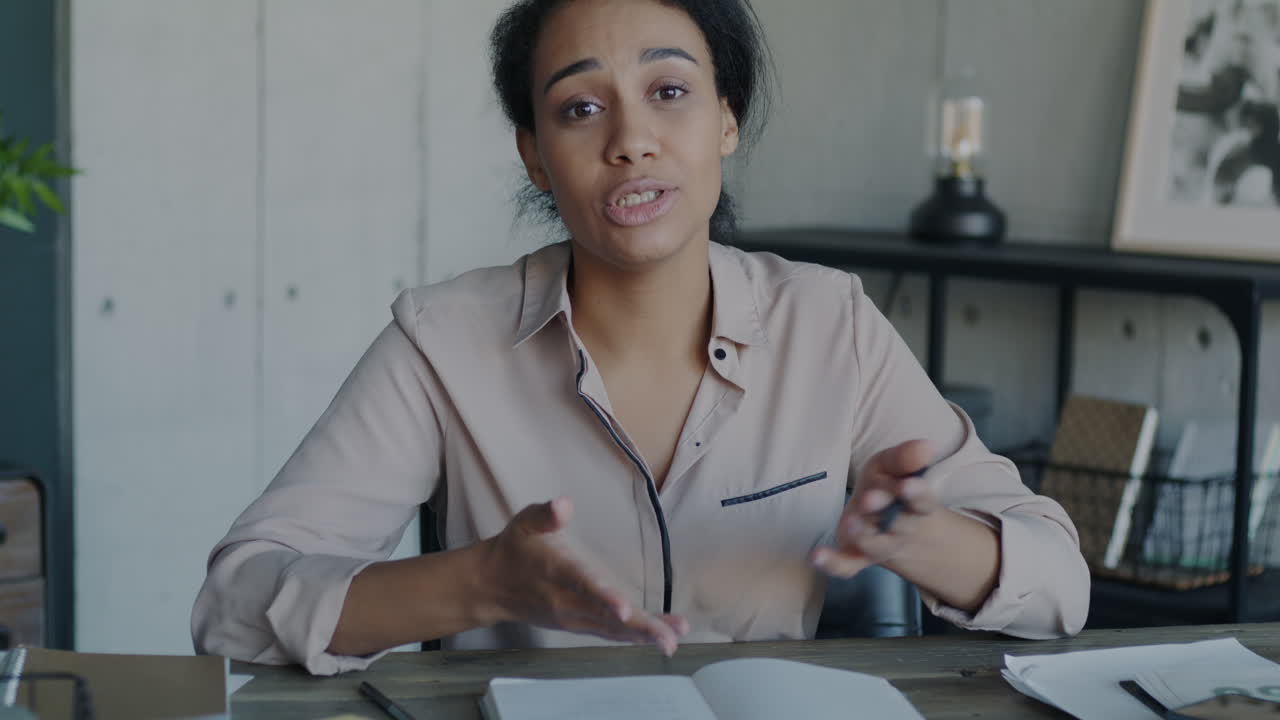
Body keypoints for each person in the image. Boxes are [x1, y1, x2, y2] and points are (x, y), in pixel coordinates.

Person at [191, 0, 1090, 676]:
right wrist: (481, 584)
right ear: (535, 155)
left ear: (725, 120)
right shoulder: (444, 343)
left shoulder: (832, 324)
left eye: (669, 92)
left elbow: (1061, 588)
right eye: (581, 109)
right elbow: (233, 605)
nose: (631, 141)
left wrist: (915, 536)